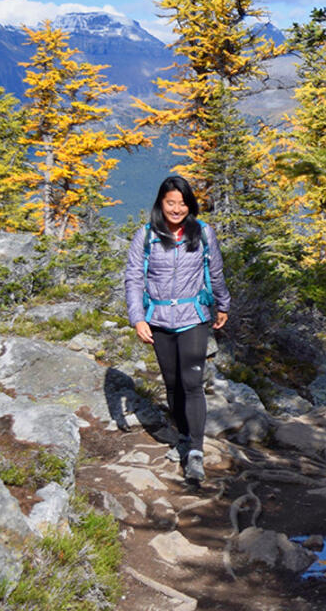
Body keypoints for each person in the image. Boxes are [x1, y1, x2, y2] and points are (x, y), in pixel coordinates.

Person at [124, 176, 230, 484]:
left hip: (193, 316)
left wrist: (223, 304)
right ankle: (183, 436)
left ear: (190, 204)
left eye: (183, 203)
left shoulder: (203, 233)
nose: (176, 209)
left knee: (191, 382)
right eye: (171, 203)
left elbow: (216, 271)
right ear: (160, 203)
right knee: (172, 383)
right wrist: (138, 318)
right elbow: (133, 279)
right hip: (157, 319)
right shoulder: (145, 237)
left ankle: (195, 452)